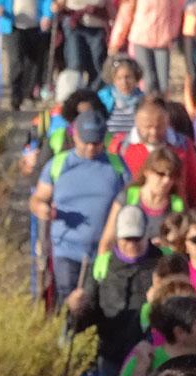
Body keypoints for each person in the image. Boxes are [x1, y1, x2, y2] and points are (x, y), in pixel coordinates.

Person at [31, 105, 128, 300]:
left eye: (97, 142)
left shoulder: (117, 166)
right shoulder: (58, 165)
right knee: (70, 304)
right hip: (66, 249)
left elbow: (130, 200)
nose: (91, 147)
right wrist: (42, 208)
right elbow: (38, 198)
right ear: (75, 136)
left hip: (105, 253)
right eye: (86, 142)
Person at [69, 205, 162, 376]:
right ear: (118, 237)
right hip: (111, 357)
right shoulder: (102, 266)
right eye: (127, 239)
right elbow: (86, 318)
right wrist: (76, 308)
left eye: (137, 238)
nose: (132, 244)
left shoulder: (161, 264)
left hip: (151, 354)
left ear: (147, 235)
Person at [111, 0, 184, 96]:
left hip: (162, 41)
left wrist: (173, 33)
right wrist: (115, 42)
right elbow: (124, 17)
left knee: (163, 83)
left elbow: (176, 12)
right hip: (141, 40)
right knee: (147, 80)